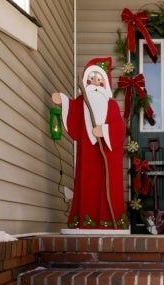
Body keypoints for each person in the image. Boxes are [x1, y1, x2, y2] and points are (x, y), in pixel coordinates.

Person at [52, 57, 128, 231]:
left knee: (106, 187)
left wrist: (105, 131)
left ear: (105, 83)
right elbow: (72, 109)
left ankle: (108, 222)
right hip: (87, 155)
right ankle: (86, 221)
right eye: (91, 78)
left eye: (98, 79)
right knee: (87, 185)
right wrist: (62, 100)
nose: (94, 82)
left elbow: (120, 128)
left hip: (106, 156)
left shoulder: (111, 105)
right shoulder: (82, 102)